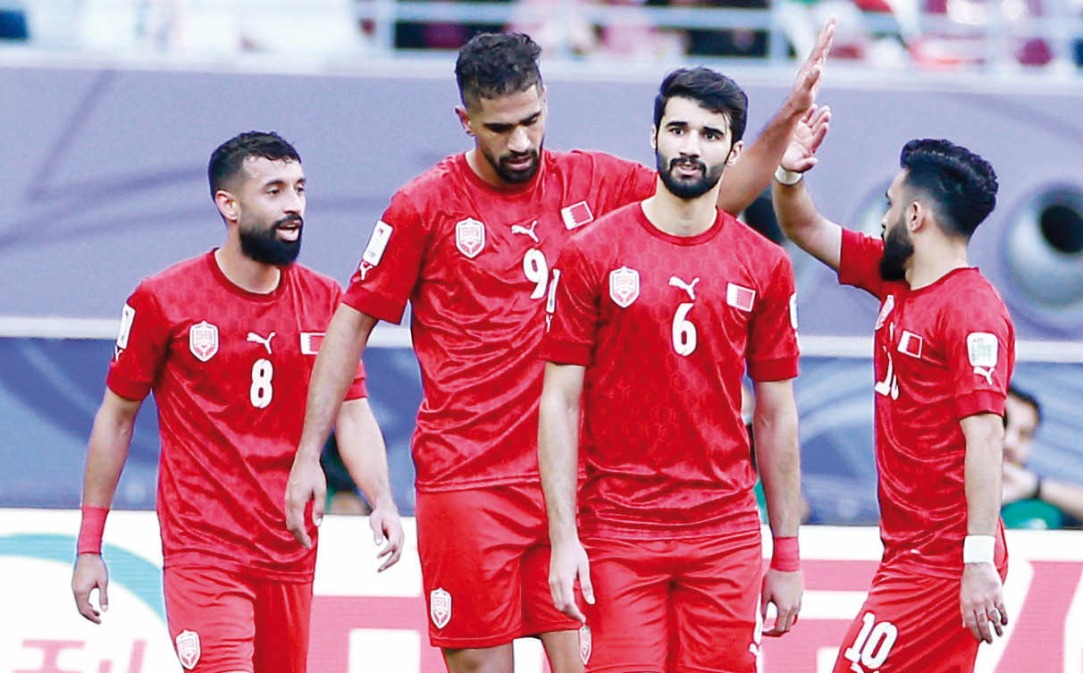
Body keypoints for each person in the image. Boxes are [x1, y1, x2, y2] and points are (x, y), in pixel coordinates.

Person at [286, 23, 835, 673]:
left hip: (574, 489)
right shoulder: (424, 206)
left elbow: (719, 191)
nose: (520, 142)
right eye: (499, 128)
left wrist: (785, 120)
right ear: (465, 119)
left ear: (546, 100)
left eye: (532, 120)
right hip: (467, 483)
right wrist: (308, 456)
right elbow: (349, 324)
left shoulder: (594, 183)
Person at [70, 131, 404, 673]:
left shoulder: (326, 300)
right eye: (273, 191)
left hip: (291, 545)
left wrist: (382, 498)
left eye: (299, 189)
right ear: (228, 204)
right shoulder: (164, 299)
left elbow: (352, 409)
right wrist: (90, 546)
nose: (293, 205)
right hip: (204, 549)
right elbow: (117, 416)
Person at [538, 66, 806, 673]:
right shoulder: (591, 253)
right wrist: (563, 539)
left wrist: (785, 551)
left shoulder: (763, 265)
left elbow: (775, 412)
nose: (690, 146)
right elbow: (559, 402)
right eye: (677, 129)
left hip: (725, 535)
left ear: (734, 151)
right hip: (617, 534)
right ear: (654, 137)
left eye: (710, 135)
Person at [775, 125, 1014, 669]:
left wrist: (976, 562)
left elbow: (986, 435)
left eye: (889, 204)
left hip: (944, 558)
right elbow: (804, 225)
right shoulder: (895, 276)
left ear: (914, 218)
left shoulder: (971, 311)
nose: (881, 219)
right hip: (911, 552)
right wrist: (789, 172)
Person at [1001, 384, 1083, 529]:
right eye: (1002, 426)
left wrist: (1034, 487)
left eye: (1024, 434)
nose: (1010, 442)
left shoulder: (1042, 503)